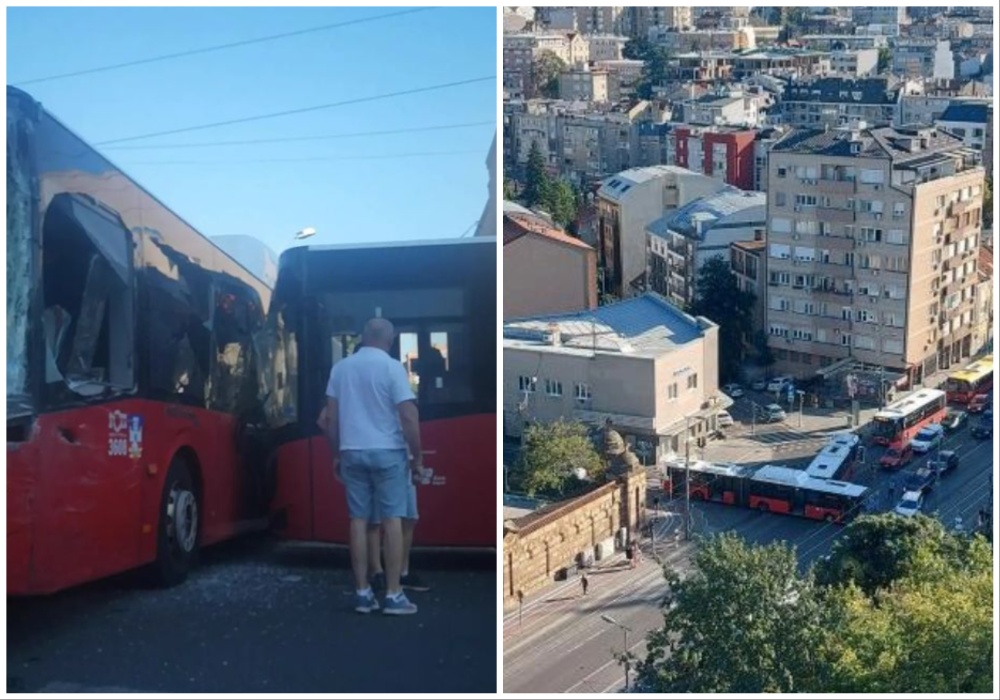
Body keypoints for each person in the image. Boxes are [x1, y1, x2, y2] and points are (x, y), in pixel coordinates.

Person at [324, 317, 427, 615]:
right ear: (390, 340)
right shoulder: (392, 368)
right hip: (388, 453)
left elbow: (330, 419)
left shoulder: (340, 369)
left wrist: (336, 454)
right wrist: (417, 457)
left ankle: (362, 592)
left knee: (358, 520)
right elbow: (408, 416)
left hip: (352, 451)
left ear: (364, 336)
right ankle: (394, 595)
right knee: (392, 519)